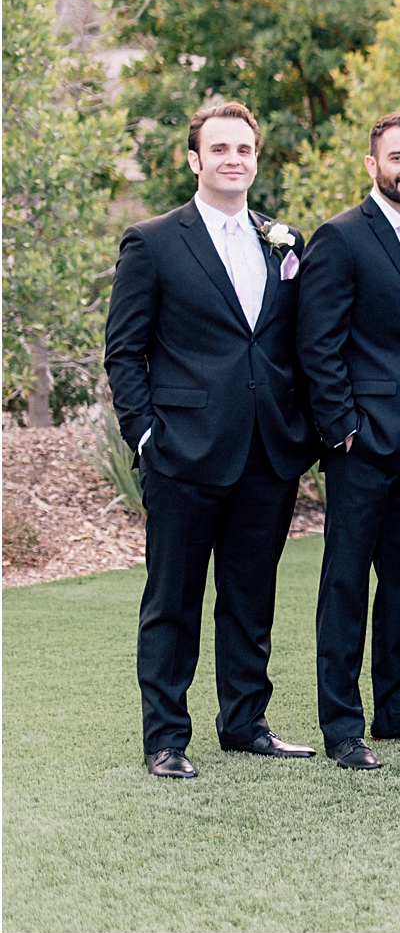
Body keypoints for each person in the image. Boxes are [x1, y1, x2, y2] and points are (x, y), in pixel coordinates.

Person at [103, 101, 319, 779]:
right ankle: (165, 738)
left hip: (267, 451)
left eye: (244, 148)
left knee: (251, 596)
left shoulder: (283, 241)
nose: (234, 158)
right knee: (172, 600)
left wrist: (301, 429)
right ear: (195, 160)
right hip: (183, 451)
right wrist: (143, 435)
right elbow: (124, 350)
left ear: (256, 158)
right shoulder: (154, 241)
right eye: (219, 148)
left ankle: (245, 722)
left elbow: (293, 344)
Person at [297, 111, 400, 771]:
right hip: (362, 444)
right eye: (398, 157)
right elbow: (319, 343)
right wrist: (342, 429)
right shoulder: (340, 238)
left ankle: (399, 708)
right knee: (345, 584)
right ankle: (343, 727)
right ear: (372, 164)